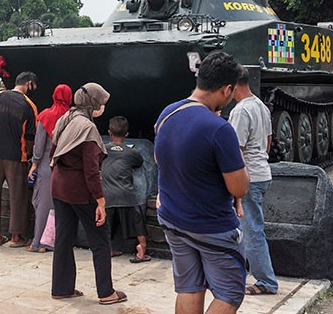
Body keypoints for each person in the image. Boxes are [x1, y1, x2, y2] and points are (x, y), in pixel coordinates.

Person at [154, 51, 249, 313]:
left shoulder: (167, 113)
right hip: (212, 227)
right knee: (229, 294)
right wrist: (239, 160)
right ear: (227, 89)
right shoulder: (219, 129)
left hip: (173, 220)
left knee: (189, 287)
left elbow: (159, 158)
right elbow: (239, 188)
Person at [50, 83, 127, 305]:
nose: (102, 108)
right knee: (101, 240)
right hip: (80, 191)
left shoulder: (66, 118)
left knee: (63, 238)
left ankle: (61, 288)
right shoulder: (87, 129)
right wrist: (100, 201)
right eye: (101, 103)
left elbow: (53, 152)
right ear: (93, 103)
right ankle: (106, 293)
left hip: (59, 186)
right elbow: (91, 170)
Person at [228, 67, 278, 296]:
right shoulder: (260, 106)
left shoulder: (240, 111)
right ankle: (246, 272)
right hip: (262, 173)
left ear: (233, 85)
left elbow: (235, 150)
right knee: (248, 228)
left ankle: (266, 281)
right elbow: (268, 143)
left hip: (249, 178)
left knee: (252, 231)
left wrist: (237, 183)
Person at [0, 71, 38, 248]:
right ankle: (15, 237)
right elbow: (30, 136)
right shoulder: (29, 105)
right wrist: (28, 154)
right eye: (33, 86)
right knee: (18, 196)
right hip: (16, 156)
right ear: (28, 84)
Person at [26, 83, 72, 253]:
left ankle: (38, 242)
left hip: (46, 165)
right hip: (66, 167)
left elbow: (39, 146)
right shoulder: (71, 118)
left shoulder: (45, 116)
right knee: (61, 207)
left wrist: (35, 164)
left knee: (43, 204)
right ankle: (54, 242)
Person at [101, 116, 150, 263]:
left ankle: (108, 249)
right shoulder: (131, 153)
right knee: (137, 223)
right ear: (127, 134)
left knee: (106, 225)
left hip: (107, 195)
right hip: (126, 194)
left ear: (109, 132)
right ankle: (142, 249)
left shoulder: (103, 150)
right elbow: (139, 162)